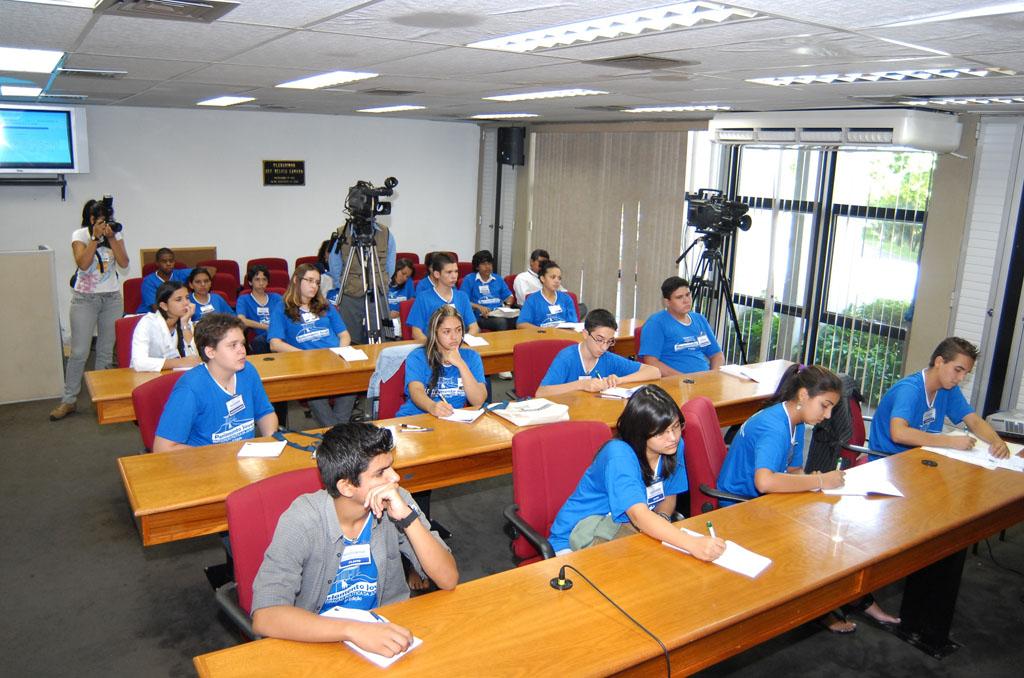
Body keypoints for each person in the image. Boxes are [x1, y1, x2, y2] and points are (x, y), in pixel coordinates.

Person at [716, 364, 896, 633]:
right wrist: (821, 481)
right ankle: (823, 607)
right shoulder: (774, 426)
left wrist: (814, 486)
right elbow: (764, 482)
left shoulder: (796, 421)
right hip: (739, 507)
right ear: (802, 396)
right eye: (824, 406)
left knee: (828, 526)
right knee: (814, 542)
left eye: (832, 408)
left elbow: (793, 471)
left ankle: (842, 600)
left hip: (765, 502)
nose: (828, 415)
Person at [251, 423, 458, 652]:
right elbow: (266, 615)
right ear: (347, 487)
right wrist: (353, 630)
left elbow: (448, 579)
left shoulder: (397, 500)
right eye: (381, 473)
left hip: (387, 627)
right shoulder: (302, 520)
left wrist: (408, 519)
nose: (395, 477)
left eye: (391, 467)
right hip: (319, 639)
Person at [547, 385, 726, 560]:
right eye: (661, 433)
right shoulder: (619, 455)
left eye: (676, 426)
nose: (673, 437)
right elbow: (638, 515)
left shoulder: (672, 447)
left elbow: (669, 493)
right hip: (577, 538)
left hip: (626, 532)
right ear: (640, 434)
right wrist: (693, 544)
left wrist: (662, 518)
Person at [50, 199, 130, 421]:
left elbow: (124, 263)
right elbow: (83, 263)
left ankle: (101, 399)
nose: (107, 225)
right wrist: (95, 238)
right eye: (102, 221)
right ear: (92, 219)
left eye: (109, 220)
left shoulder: (115, 235)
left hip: (112, 298)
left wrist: (112, 238)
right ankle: (69, 400)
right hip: (84, 299)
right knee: (79, 352)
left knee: (105, 352)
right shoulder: (80, 235)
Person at [869, 337, 1013, 459]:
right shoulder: (909, 390)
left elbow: (974, 421)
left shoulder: (948, 389)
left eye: (966, 373)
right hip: (888, 460)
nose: (961, 378)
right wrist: (949, 441)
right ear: (939, 362)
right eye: (958, 370)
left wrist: (997, 442)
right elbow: (899, 433)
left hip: (919, 456)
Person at [151, 314, 277, 451]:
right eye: (233, 345)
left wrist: (269, 443)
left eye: (242, 343)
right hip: (205, 464)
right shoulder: (190, 388)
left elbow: (265, 413)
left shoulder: (247, 371)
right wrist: (217, 457)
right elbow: (162, 448)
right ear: (210, 352)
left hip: (246, 460)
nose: (242, 350)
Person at [269, 264, 357, 427]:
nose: (314, 286)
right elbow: (275, 344)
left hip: (334, 359)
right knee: (316, 392)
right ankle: (338, 432)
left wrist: (340, 351)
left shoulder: (325, 306)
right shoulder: (282, 308)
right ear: (296, 280)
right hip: (307, 365)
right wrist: (305, 355)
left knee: (352, 382)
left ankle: (336, 432)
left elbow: (344, 335)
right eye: (309, 280)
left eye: (317, 282)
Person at [536, 309, 660, 397]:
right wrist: (581, 385)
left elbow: (654, 372)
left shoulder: (608, 358)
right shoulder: (567, 357)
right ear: (585, 334)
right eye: (599, 340)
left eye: (609, 341)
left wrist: (620, 380)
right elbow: (541, 392)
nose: (604, 347)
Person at [396, 306, 487, 417]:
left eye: (458, 330)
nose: (454, 337)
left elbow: (478, 401)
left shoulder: (471, 357)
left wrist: (461, 364)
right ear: (435, 333)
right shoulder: (418, 357)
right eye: (446, 332)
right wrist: (432, 407)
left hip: (453, 420)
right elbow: (416, 391)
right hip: (416, 417)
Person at [327, 219, 396, 345]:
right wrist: (345, 285)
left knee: (381, 337)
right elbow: (334, 265)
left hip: (378, 291)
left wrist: (381, 281)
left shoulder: (385, 233)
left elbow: (389, 266)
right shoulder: (342, 233)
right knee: (350, 338)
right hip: (350, 293)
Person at [638, 276, 724, 376]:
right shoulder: (656, 324)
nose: (686, 300)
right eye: (679, 297)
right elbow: (651, 362)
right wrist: (683, 380)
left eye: (688, 295)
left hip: (703, 380)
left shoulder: (699, 319)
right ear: (667, 302)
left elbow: (717, 354)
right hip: (675, 382)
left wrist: (713, 375)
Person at [405, 253, 479, 341]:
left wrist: (460, 341)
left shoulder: (462, 297)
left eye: (456, 271)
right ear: (437, 274)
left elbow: (474, 327)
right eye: (449, 272)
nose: (454, 276)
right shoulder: (423, 298)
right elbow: (416, 332)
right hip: (433, 349)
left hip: (457, 346)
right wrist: (433, 347)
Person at [130, 280, 201, 372]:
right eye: (179, 299)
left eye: (187, 298)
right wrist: (180, 362)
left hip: (173, 375)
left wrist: (185, 324)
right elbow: (140, 363)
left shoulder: (186, 320)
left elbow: (194, 359)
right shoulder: (147, 323)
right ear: (164, 306)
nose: (186, 303)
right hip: (145, 376)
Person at [460, 249, 516, 331]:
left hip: (499, 313)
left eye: (489, 263)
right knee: (501, 322)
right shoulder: (469, 279)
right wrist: (479, 307)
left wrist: (507, 305)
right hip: (481, 316)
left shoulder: (498, 279)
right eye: (483, 264)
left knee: (520, 319)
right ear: (477, 266)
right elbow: (463, 300)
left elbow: (509, 296)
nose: (487, 267)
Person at [236, 264, 284, 354]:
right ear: (250, 282)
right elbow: (241, 320)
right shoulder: (244, 299)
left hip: (278, 334)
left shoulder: (276, 298)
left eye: (264, 280)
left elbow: (288, 315)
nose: (261, 283)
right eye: (257, 279)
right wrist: (266, 327)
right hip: (260, 339)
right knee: (260, 341)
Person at [516, 260, 578, 329]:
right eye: (553, 277)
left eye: (559, 278)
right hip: (541, 336)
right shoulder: (532, 300)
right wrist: (543, 330)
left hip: (562, 337)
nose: (557, 281)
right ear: (542, 278)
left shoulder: (566, 299)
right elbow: (521, 324)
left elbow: (573, 324)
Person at [137, 247, 193, 314]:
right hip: (149, 315)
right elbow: (157, 309)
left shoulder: (180, 274)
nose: (168, 264)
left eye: (171, 261)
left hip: (175, 313)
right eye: (164, 261)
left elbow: (204, 271)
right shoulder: (149, 282)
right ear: (157, 263)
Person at [386, 257, 416, 324]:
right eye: (403, 273)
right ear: (395, 270)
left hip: (402, 318)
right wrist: (387, 314)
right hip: (385, 317)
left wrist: (401, 313)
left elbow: (411, 303)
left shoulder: (409, 282)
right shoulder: (384, 281)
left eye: (407, 276)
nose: (405, 278)